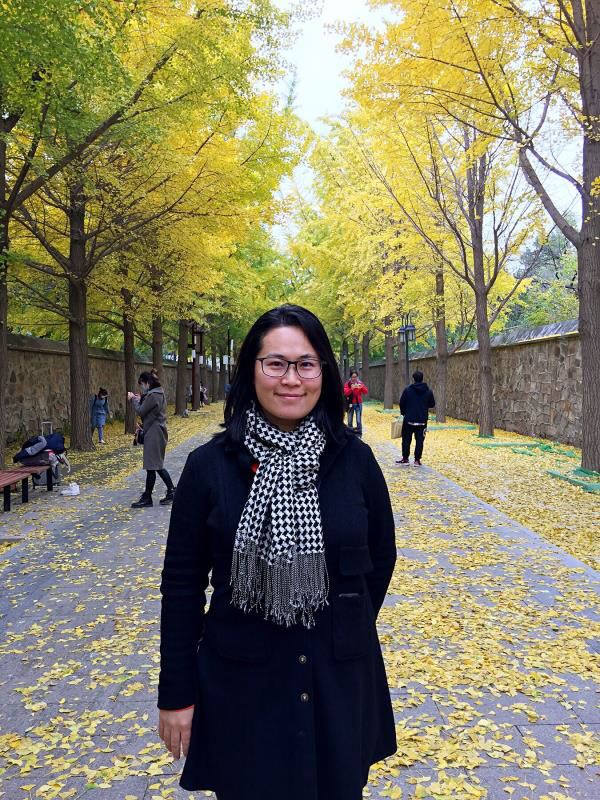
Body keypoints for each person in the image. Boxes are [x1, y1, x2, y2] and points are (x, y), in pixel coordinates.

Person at [158, 304, 397, 800]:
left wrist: (339, 619)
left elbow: (380, 556)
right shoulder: (209, 467)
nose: (292, 379)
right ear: (252, 370)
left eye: (306, 364)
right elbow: (181, 586)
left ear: (324, 372)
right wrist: (176, 694)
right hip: (243, 686)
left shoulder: (354, 460)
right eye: (276, 364)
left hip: (338, 683)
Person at [127, 371, 175, 507]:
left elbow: (141, 411)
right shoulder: (157, 393)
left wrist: (133, 399)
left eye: (141, 384)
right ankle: (166, 492)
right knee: (154, 466)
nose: (141, 387)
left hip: (155, 433)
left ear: (147, 383)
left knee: (154, 466)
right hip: (155, 431)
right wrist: (141, 398)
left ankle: (153, 496)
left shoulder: (153, 395)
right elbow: (150, 410)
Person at [396, 370, 435, 466]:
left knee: (406, 439)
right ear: (422, 378)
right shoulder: (428, 391)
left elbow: (402, 402)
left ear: (413, 379)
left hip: (409, 419)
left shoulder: (407, 390)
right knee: (420, 441)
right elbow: (432, 404)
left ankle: (405, 458)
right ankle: (417, 460)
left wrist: (404, 413)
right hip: (422, 420)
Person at [343, 370, 368, 435]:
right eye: (353, 377)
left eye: (355, 377)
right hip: (350, 404)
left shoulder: (360, 383)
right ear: (350, 377)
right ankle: (350, 434)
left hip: (358, 404)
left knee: (358, 421)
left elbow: (366, 392)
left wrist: (361, 387)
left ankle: (359, 434)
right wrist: (352, 389)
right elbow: (345, 393)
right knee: (349, 421)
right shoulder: (347, 384)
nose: (354, 378)